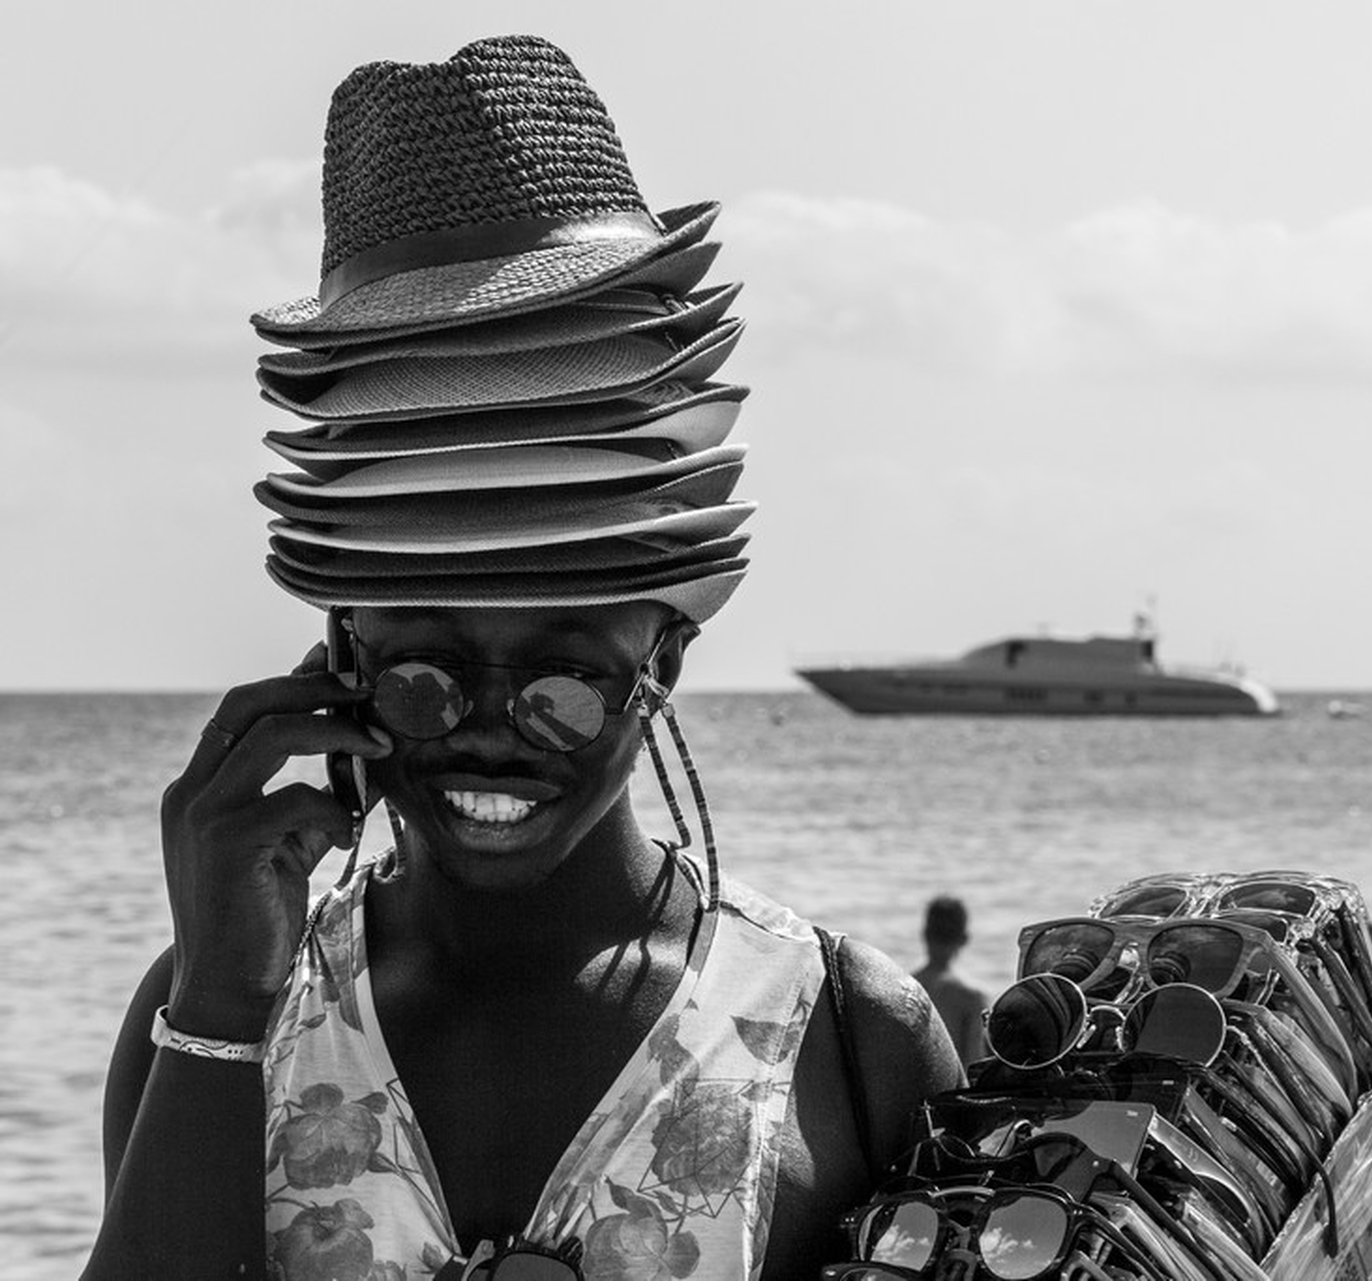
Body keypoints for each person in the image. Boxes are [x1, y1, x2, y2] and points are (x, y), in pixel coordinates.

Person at [83, 35, 962, 1281]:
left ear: (668, 649)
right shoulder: (223, 1013)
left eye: (562, 686)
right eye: (424, 679)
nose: (490, 733)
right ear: (337, 657)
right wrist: (225, 1004)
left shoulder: (842, 1039)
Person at [911, 896, 989, 1066]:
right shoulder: (971, 997)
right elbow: (973, 1064)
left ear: (924, 934)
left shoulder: (900, 988)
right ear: (964, 938)